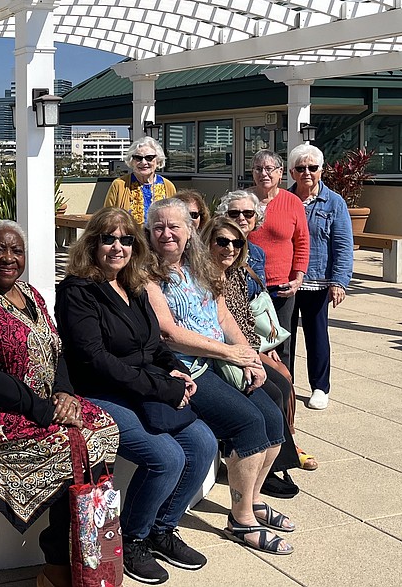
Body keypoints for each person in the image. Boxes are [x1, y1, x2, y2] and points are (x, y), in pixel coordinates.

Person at [0, 220, 120, 587]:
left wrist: (64, 394)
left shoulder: (31, 293)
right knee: (70, 445)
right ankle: (57, 564)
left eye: (16, 250)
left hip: (43, 401)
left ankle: (79, 555)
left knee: (102, 428)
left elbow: (58, 351)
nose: (8, 258)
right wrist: (44, 410)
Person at [55, 208, 215, 585]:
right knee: (166, 457)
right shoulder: (78, 292)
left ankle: (163, 528)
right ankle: (134, 538)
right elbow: (96, 361)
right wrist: (164, 387)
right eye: (108, 238)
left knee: (203, 443)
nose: (117, 247)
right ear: (93, 243)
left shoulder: (134, 285)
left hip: (143, 386)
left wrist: (176, 368)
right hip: (101, 393)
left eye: (126, 239)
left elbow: (153, 342)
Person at [144, 197, 295, 556]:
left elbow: (224, 317)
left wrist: (249, 358)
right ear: (149, 233)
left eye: (174, 226)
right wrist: (229, 353)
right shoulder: (148, 274)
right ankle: (241, 520)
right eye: (158, 227)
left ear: (190, 229)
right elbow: (167, 332)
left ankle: (254, 499)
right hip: (188, 369)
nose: (166, 233)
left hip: (221, 362)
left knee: (273, 420)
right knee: (247, 425)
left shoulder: (201, 267)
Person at [217, 189, 318, 472]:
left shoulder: (256, 253)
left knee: (285, 377)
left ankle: (288, 442)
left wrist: (265, 344)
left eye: (247, 214)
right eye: (233, 213)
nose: (241, 218)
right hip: (228, 340)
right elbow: (226, 312)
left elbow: (251, 305)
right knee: (279, 383)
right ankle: (278, 455)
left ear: (256, 218)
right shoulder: (216, 249)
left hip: (250, 337)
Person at [201, 216, 302, 500]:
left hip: (243, 348)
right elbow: (217, 327)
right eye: (222, 241)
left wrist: (256, 351)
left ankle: (277, 462)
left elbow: (244, 319)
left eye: (236, 243)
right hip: (217, 357)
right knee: (272, 393)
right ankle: (265, 470)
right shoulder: (203, 277)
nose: (230, 248)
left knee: (282, 383)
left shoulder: (236, 273)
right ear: (206, 242)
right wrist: (248, 355)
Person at [288, 144, 353, 411]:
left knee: (316, 336)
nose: (307, 173)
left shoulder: (334, 202)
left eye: (312, 168)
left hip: (317, 279)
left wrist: (339, 281)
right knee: (284, 336)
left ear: (321, 170)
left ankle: (320, 387)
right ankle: (284, 383)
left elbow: (343, 244)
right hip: (287, 279)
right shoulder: (284, 199)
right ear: (292, 172)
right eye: (301, 168)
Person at [247, 149, 309, 361]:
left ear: (280, 172)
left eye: (269, 169)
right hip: (249, 284)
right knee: (252, 341)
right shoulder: (244, 201)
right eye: (258, 169)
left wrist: (298, 277)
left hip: (281, 286)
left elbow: (302, 242)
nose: (264, 173)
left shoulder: (292, 202)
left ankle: (285, 389)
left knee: (281, 344)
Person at [104, 136, 177, 224]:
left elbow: (175, 217)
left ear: (157, 161)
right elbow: (107, 217)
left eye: (149, 158)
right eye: (138, 158)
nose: (143, 162)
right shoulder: (119, 185)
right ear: (131, 161)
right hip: (130, 237)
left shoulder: (168, 186)